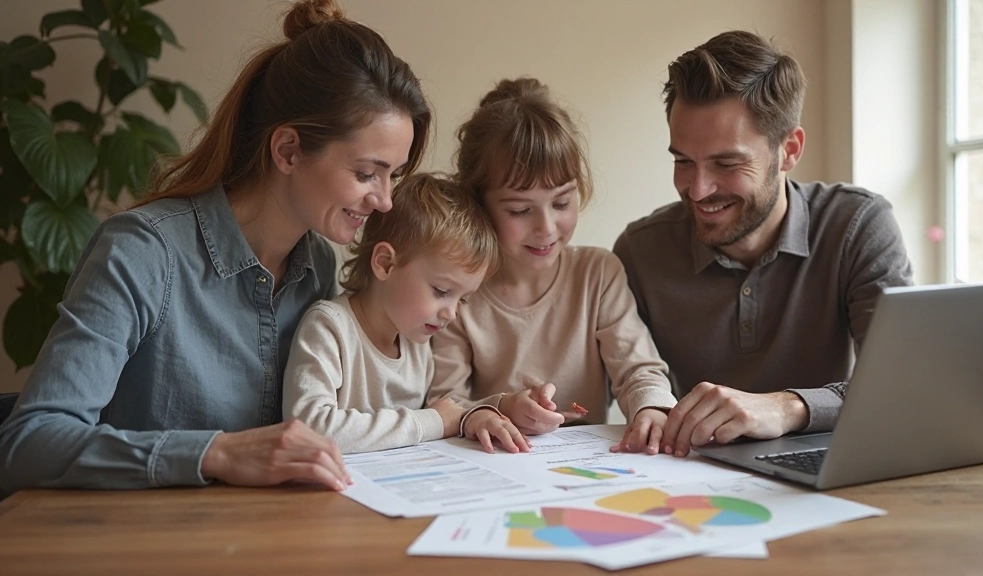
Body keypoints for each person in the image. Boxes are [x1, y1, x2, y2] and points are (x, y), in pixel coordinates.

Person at [0, 0, 432, 495]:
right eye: (365, 173)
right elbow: (28, 444)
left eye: (393, 175)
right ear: (288, 150)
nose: (384, 201)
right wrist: (216, 452)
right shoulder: (144, 252)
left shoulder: (317, 263)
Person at [613, 30, 914, 458]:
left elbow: (898, 385)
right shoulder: (639, 251)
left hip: (832, 478)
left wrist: (787, 407)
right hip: (693, 485)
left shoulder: (857, 225)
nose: (697, 190)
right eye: (683, 161)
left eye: (727, 163)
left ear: (788, 150)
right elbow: (608, 381)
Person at [428, 78, 678, 451]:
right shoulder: (458, 291)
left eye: (561, 203)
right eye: (519, 210)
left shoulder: (598, 274)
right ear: (478, 204)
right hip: (494, 464)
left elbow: (638, 370)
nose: (545, 228)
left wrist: (652, 409)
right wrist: (497, 410)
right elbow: (445, 401)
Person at [283, 173, 529, 454]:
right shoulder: (329, 327)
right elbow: (308, 430)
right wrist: (432, 422)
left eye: (463, 300)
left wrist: (473, 417)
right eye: (441, 291)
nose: (451, 314)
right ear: (386, 264)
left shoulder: (415, 339)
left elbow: (440, 414)